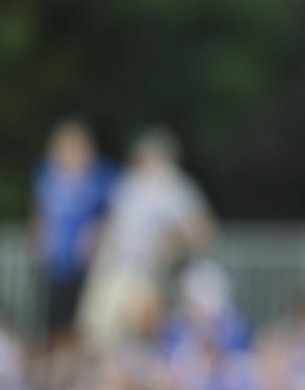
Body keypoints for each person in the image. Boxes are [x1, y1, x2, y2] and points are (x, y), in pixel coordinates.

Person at [79, 126, 216, 353]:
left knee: (139, 328)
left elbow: (202, 230)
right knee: (96, 326)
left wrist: (176, 241)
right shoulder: (129, 185)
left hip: (155, 271)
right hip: (120, 265)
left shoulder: (177, 187)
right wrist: (95, 242)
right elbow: (113, 224)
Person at [30, 119, 118, 348]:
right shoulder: (47, 175)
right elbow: (41, 212)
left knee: (84, 325)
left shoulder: (101, 177)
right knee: (52, 325)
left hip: (89, 264)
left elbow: (111, 215)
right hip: (56, 262)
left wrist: (98, 234)